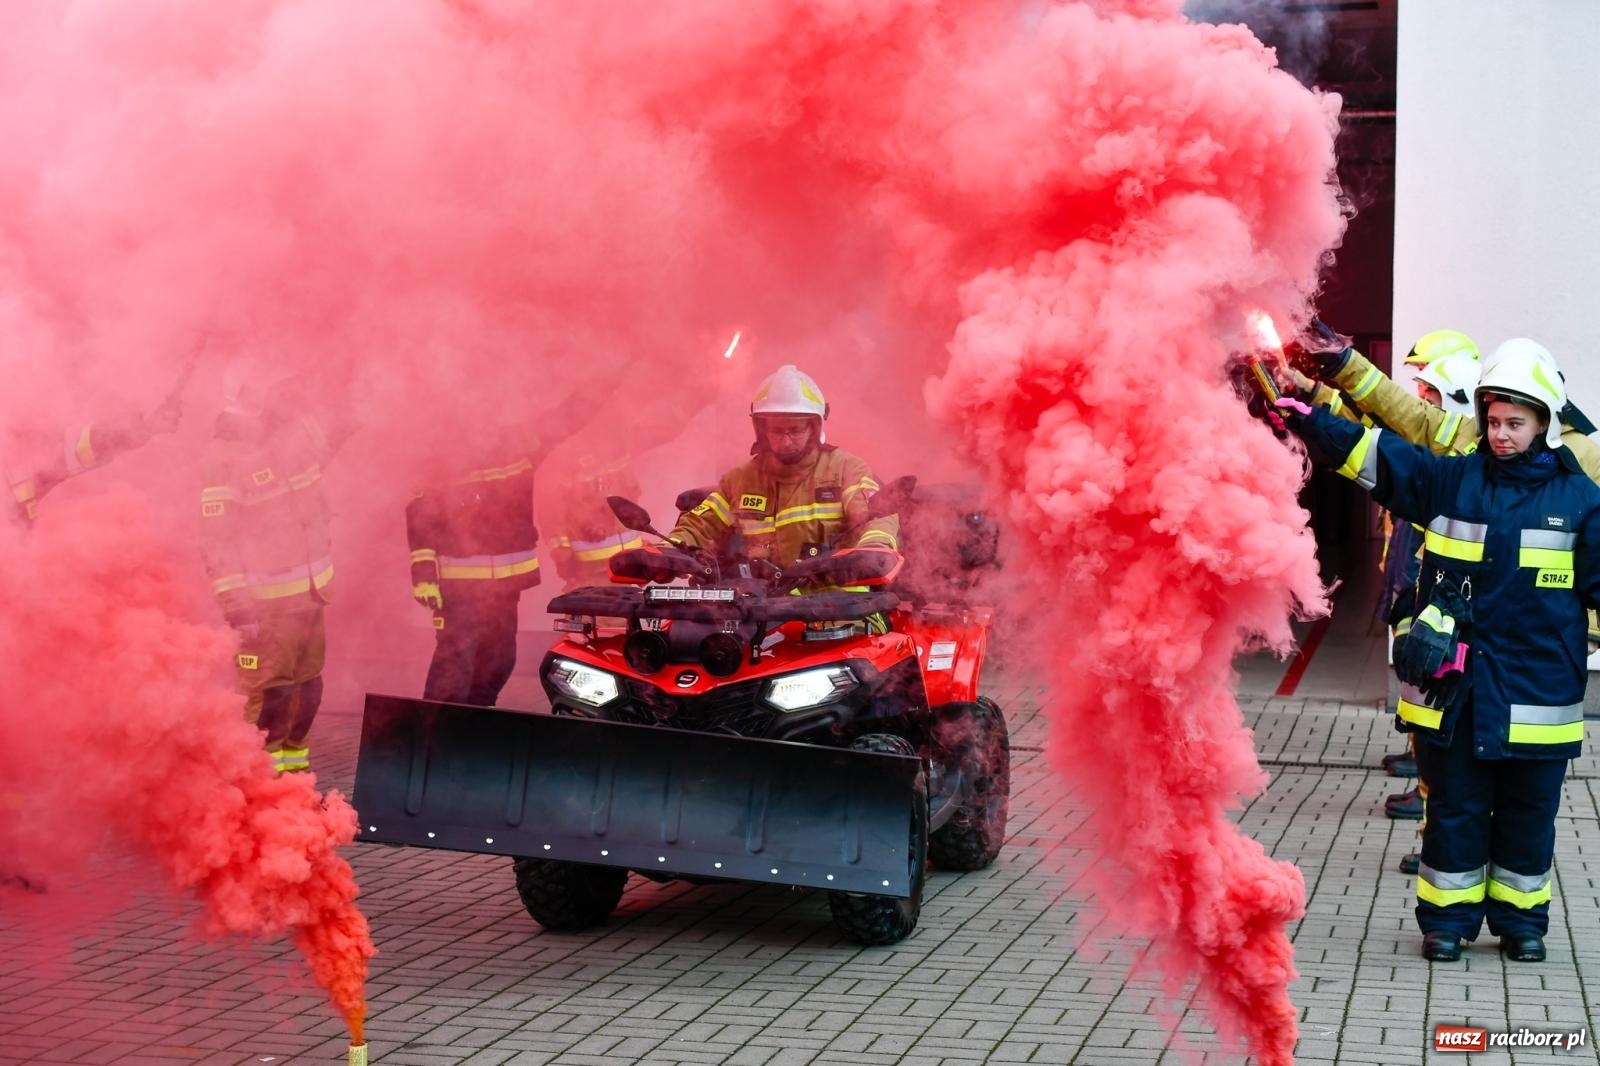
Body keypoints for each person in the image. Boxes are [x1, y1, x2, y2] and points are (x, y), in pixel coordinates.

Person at [1276, 338, 1600, 964]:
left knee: (1528, 817)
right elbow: (1380, 456)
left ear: (1545, 425)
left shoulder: (1581, 502)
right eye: (1494, 421)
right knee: (1454, 810)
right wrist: (1311, 417)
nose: (1502, 434)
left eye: (1516, 423)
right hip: (1459, 694)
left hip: (1538, 695)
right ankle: (1446, 923)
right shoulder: (1451, 481)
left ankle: (1521, 924)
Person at [200, 359, 346, 774]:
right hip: (265, 609)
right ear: (245, 392)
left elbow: (333, 430)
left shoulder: (290, 436)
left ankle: (290, 795)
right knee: (268, 700)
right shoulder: (223, 458)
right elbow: (217, 540)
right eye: (265, 385)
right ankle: (252, 795)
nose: (275, 394)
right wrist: (236, 607)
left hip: (309, 597)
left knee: (307, 696)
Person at [406, 388, 592, 707]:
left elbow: (565, 417)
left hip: (505, 588)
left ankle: (477, 729)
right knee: (455, 668)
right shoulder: (441, 459)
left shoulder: (517, 447)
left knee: (499, 662)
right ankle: (436, 737)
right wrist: (424, 576)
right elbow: (420, 516)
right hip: (460, 589)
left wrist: (607, 382)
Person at [667, 364, 900, 573]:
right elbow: (699, 526)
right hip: (762, 610)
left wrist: (874, 550)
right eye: (777, 431)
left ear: (813, 428)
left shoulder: (846, 470)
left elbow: (878, 517)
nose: (786, 441)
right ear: (762, 430)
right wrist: (665, 552)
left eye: (795, 430)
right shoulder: (739, 480)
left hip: (839, 610)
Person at [544, 450, 646, 593]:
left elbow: (632, 497)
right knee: (593, 613)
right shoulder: (565, 454)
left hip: (629, 570)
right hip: (590, 575)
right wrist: (564, 557)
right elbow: (551, 512)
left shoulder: (618, 446)